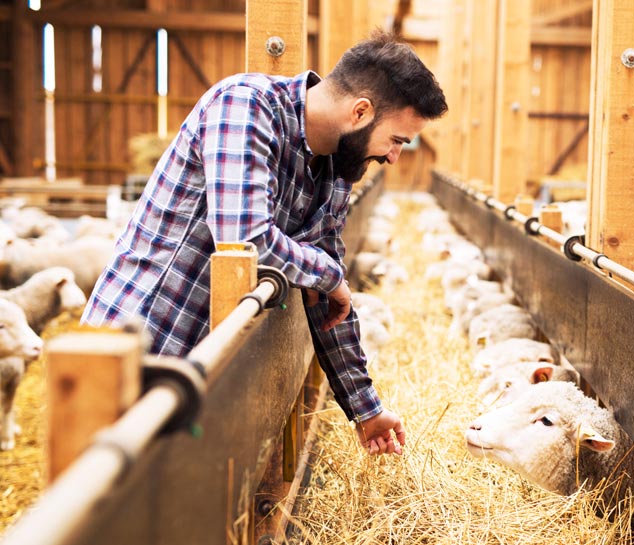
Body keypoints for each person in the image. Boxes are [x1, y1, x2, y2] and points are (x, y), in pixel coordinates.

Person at [81, 30, 448, 456]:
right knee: (95, 503)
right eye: (398, 140)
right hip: (140, 344)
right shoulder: (245, 106)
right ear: (361, 112)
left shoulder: (334, 172)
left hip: (206, 365)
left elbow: (329, 298)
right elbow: (244, 238)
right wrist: (329, 276)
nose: (393, 157)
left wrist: (366, 409)